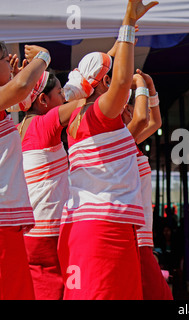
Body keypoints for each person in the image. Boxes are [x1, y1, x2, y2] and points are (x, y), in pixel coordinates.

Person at [57, 0, 159, 300]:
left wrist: (123, 36)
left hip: (90, 226)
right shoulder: (100, 113)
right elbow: (123, 80)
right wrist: (126, 20)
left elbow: (99, 71)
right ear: (104, 82)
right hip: (104, 229)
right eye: (109, 76)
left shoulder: (76, 113)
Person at [14, 70, 83, 300]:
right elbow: (85, 100)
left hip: (25, 234)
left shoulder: (17, 131)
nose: (64, 97)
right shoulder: (45, 124)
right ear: (43, 100)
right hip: (49, 235)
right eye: (60, 92)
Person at [0, 42, 52, 299]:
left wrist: (15, 78)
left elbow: (22, 95)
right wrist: (42, 58)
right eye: (2, 58)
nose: (8, 59)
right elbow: (21, 88)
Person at [121, 69, 172, 300]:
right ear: (124, 112)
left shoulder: (129, 141)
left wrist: (151, 90)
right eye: (130, 107)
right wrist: (140, 84)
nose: (134, 110)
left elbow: (155, 121)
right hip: (134, 238)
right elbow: (144, 119)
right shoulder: (119, 142)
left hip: (141, 238)